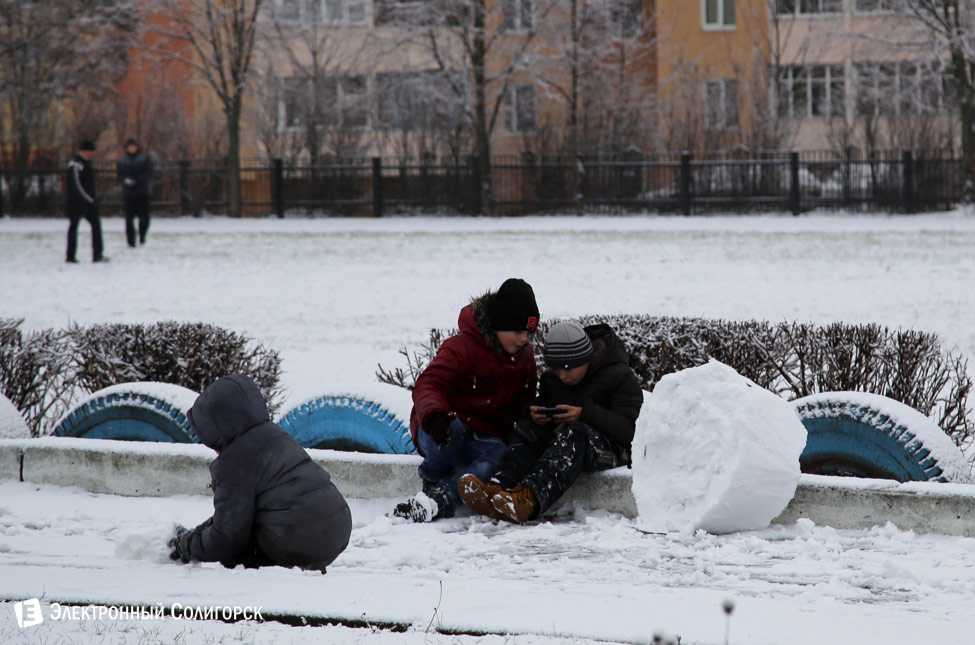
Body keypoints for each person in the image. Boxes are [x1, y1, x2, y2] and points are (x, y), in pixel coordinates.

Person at [459, 321, 643, 524]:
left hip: (611, 451)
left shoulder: (620, 376)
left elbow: (631, 431)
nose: (562, 376)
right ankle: (497, 488)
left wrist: (585, 414)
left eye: (568, 369)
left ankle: (528, 499)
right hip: (565, 442)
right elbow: (543, 409)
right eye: (556, 370)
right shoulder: (553, 380)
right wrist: (536, 415)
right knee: (528, 429)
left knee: (576, 433)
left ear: (586, 358)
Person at [168, 374, 352, 571]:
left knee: (236, 551)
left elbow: (227, 536)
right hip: (337, 528)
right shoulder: (276, 435)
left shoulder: (234, 463)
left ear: (217, 430)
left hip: (296, 538)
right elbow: (237, 516)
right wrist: (198, 534)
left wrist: (185, 546)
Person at [393, 278, 540, 523]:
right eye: (517, 331)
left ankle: (443, 498)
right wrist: (436, 416)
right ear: (498, 325)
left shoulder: (525, 358)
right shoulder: (461, 347)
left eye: (529, 333)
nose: (524, 339)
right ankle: (432, 478)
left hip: (484, 436)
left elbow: (523, 403)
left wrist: (533, 418)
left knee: (497, 456)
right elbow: (429, 384)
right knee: (454, 430)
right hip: (441, 427)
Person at [65, 140, 107, 263]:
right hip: (76, 202)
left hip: (87, 202)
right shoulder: (75, 164)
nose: (92, 154)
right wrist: (89, 199)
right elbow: (76, 184)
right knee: (73, 228)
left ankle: (97, 255)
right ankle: (70, 256)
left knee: (96, 226)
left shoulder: (86, 163)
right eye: (91, 151)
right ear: (85, 151)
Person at [115, 138, 153, 247]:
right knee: (129, 218)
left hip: (142, 192)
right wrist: (126, 181)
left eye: (134, 146)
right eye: (130, 147)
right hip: (129, 193)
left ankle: (142, 236)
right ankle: (131, 241)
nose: (132, 149)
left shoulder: (144, 159)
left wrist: (138, 181)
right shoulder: (122, 161)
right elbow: (120, 175)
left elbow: (148, 173)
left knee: (144, 217)